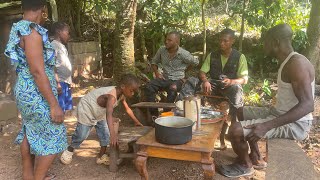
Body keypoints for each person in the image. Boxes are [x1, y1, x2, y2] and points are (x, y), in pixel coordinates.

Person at [219, 24, 315, 178]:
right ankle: (255, 156)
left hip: (296, 124)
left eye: (266, 42)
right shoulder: (288, 61)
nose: (263, 45)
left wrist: (266, 126)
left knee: (235, 130)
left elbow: (308, 105)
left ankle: (245, 165)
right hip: (279, 113)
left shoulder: (297, 64)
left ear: (276, 42)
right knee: (240, 111)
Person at [4, 0, 67, 179]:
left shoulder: (18, 27)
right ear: (43, 9)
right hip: (35, 92)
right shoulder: (31, 31)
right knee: (54, 134)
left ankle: (28, 175)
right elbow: (38, 72)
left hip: (25, 89)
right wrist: (54, 104)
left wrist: (54, 83)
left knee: (29, 129)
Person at [60, 74, 143, 165]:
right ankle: (69, 150)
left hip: (99, 112)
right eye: (131, 91)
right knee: (82, 134)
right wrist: (113, 134)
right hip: (87, 109)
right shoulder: (112, 96)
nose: (133, 94)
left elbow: (128, 109)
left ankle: (101, 156)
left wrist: (137, 122)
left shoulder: (121, 95)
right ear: (123, 86)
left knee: (105, 135)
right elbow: (109, 114)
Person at [199, 28, 248, 149]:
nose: (222, 44)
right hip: (214, 86)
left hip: (230, 87)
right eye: (220, 41)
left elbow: (244, 79)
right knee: (194, 84)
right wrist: (205, 81)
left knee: (236, 89)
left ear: (232, 41)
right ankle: (195, 120)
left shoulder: (239, 57)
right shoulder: (213, 55)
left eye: (225, 41)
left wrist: (232, 81)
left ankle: (234, 124)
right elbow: (202, 72)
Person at [145, 31, 199, 115]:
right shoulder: (162, 50)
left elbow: (195, 62)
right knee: (149, 86)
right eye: (166, 39)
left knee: (172, 88)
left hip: (178, 80)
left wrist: (185, 72)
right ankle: (154, 115)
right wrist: (157, 73)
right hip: (164, 78)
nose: (166, 42)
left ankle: (166, 114)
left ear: (177, 42)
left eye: (169, 40)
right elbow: (154, 62)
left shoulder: (184, 54)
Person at [51, 21, 73, 113]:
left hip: (66, 82)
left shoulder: (63, 46)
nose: (68, 35)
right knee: (59, 109)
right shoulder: (53, 45)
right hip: (60, 82)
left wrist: (70, 81)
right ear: (59, 32)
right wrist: (57, 83)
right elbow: (52, 65)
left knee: (65, 110)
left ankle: (62, 126)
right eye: (67, 33)